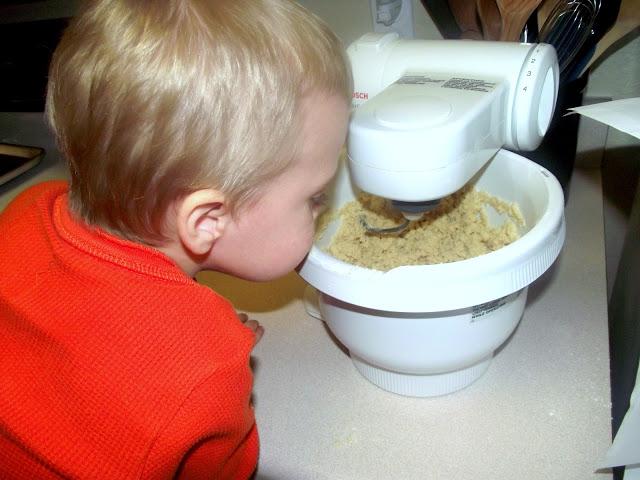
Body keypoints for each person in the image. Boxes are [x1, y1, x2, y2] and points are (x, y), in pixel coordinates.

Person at [0, 0, 351, 478]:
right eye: (313, 197)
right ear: (207, 219)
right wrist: (211, 358)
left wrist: (190, 328)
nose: (323, 206)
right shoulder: (206, 375)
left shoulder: (26, 208)